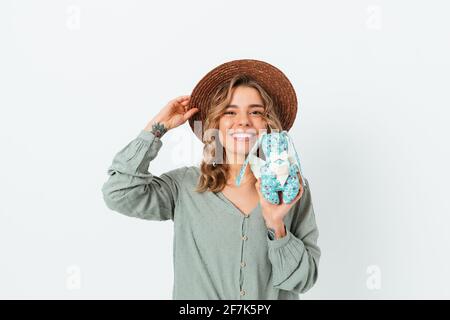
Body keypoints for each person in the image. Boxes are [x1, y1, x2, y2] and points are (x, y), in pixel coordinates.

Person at [102, 59, 321, 300]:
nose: (244, 121)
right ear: (215, 124)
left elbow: (303, 280)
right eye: (230, 111)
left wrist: (276, 226)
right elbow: (118, 193)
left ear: (268, 125)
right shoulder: (184, 186)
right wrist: (156, 130)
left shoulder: (292, 190)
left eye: (256, 112)